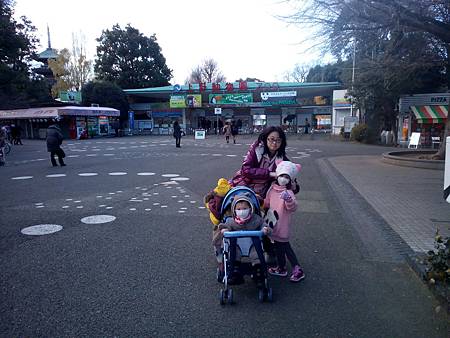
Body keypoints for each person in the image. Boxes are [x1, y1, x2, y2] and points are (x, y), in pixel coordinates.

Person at [212, 194, 271, 285]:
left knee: (257, 253)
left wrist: (265, 229)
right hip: (236, 244)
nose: (242, 211)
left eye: (244, 209)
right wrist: (224, 229)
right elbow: (224, 225)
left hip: (252, 244)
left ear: (250, 208)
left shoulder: (256, 219)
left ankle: (258, 271)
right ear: (234, 210)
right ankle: (235, 272)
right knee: (233, 252)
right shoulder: (231, 221)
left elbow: (263, 224)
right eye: (239, 209)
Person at [231, 126, 299, 199]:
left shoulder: (283, 159)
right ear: (265, 138)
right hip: (245, 186)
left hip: (265, 193)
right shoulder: (256, 150)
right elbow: (246, 170)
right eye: (272, 139)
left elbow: (291, 181)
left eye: (278, 140)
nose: (274, 143)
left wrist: (293, 185)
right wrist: (269, 173)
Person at [264, 160, 305, 282]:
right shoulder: (272, 188)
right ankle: (281, 268)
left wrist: (288, 200)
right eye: (281, 175)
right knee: (278, 247)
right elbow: (267, 202)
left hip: (282, 225)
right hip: (273, 223)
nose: (283, 179)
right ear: (277, 175)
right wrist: (259, 200)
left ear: (290, 179)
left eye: (286, 177)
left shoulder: (288, 192)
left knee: (285, 247)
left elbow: (293, 208)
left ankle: (297, 269)